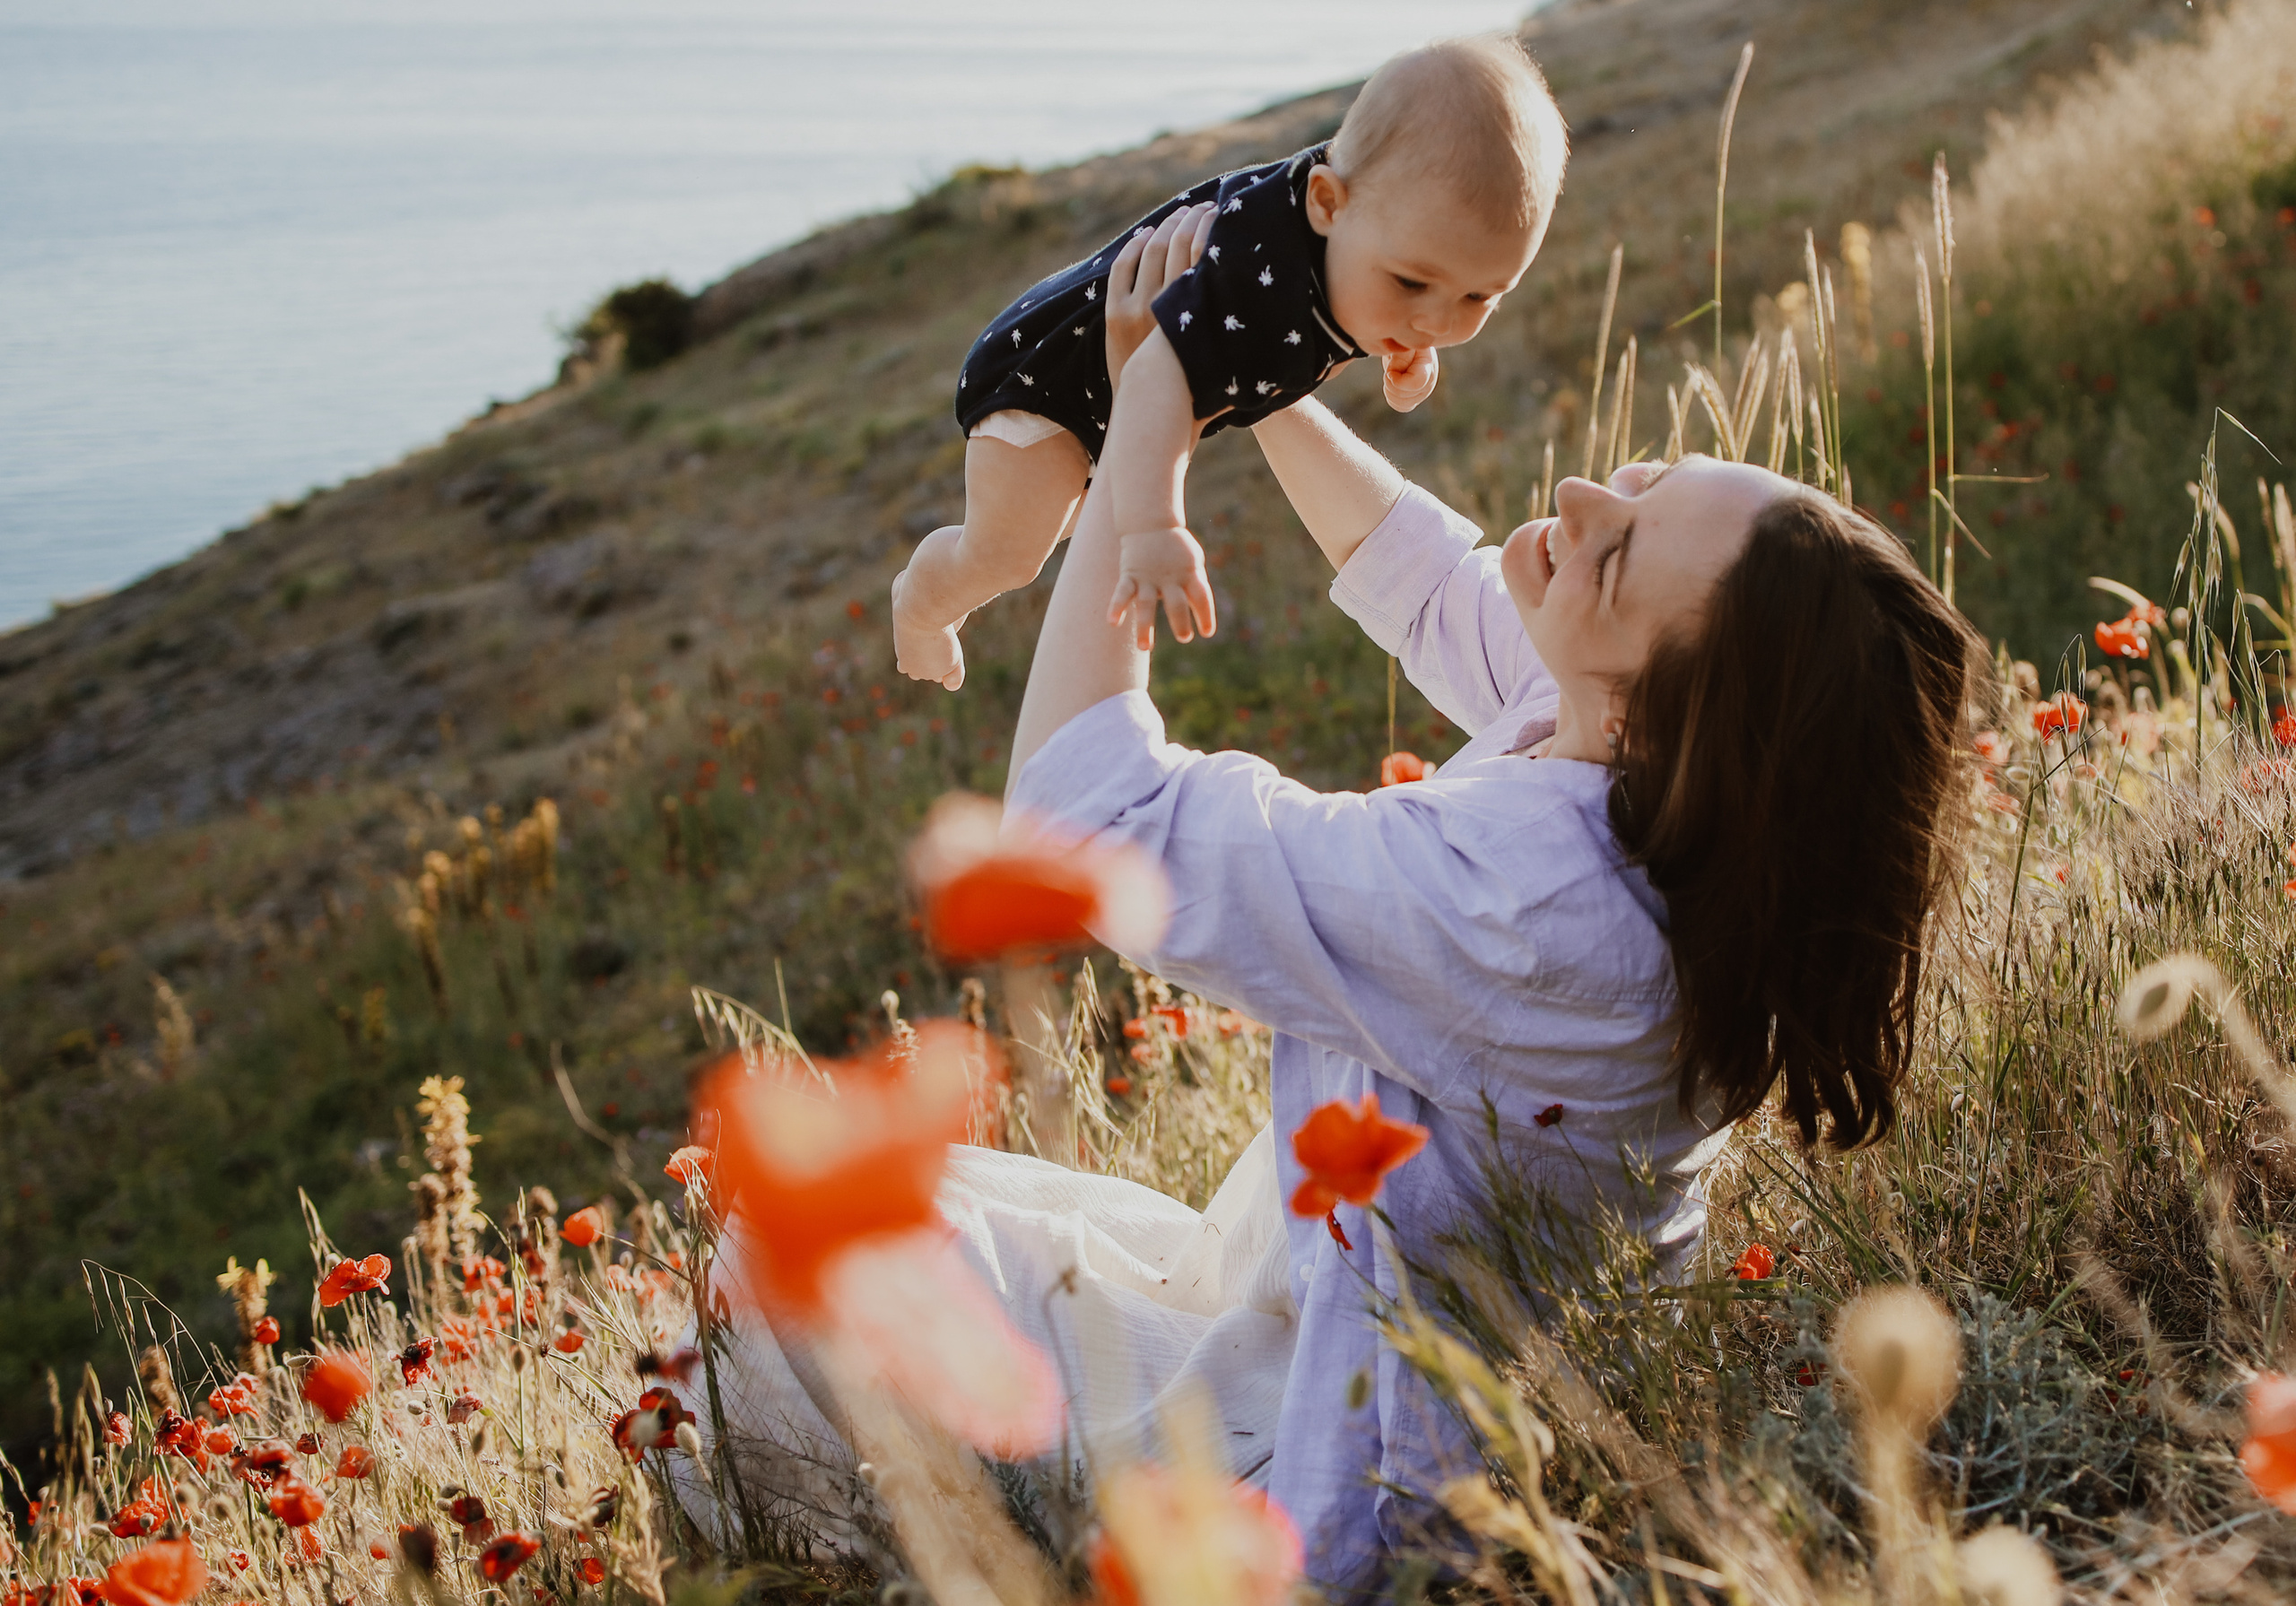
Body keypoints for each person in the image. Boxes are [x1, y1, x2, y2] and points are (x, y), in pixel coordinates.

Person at [691, 226, 1985, 1597]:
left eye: (1617, 554)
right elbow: (1425, 575)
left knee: (783, 1261)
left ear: (1673, 719)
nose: (1583, 498)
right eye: (1644, 481)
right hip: (1295, 1309)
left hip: (1325, 1469)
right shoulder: (1642, 760)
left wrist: (1144, 446)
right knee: (896, 1218)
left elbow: (1086, 816)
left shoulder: (1546, 902)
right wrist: (1241, 361)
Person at [890, 35, 1569, 690]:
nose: (1437, 318)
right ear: (1326, 202)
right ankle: (920, 605)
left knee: (1063, 522)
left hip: (1110, 411)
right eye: (1411, 286)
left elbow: (1419, 297)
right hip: (1043, 389)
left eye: (1479, 296)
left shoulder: (1380, 229)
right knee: (1009, 554)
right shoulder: (1254, 278)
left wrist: (1410, 347)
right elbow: (1153, 372)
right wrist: (1154, 527)